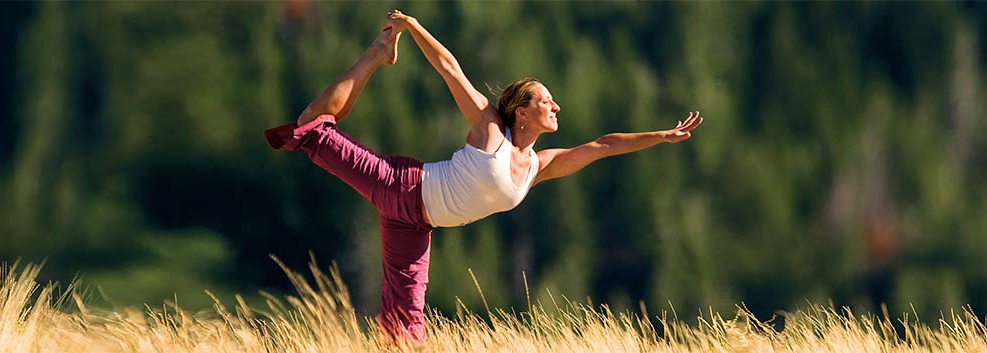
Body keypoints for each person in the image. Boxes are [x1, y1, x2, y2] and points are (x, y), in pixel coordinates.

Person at [263, 10, 704, 343]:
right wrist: (413, 28)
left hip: (416, 223)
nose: (556, 107)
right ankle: (377, 54)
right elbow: (451, 69)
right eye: (546, 101)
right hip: (397, 185)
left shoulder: (536, 167)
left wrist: (660, 135)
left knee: (404, 326)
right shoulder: (490, 128)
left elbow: (603, 146)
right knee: (312, 124)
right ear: (521, 111)